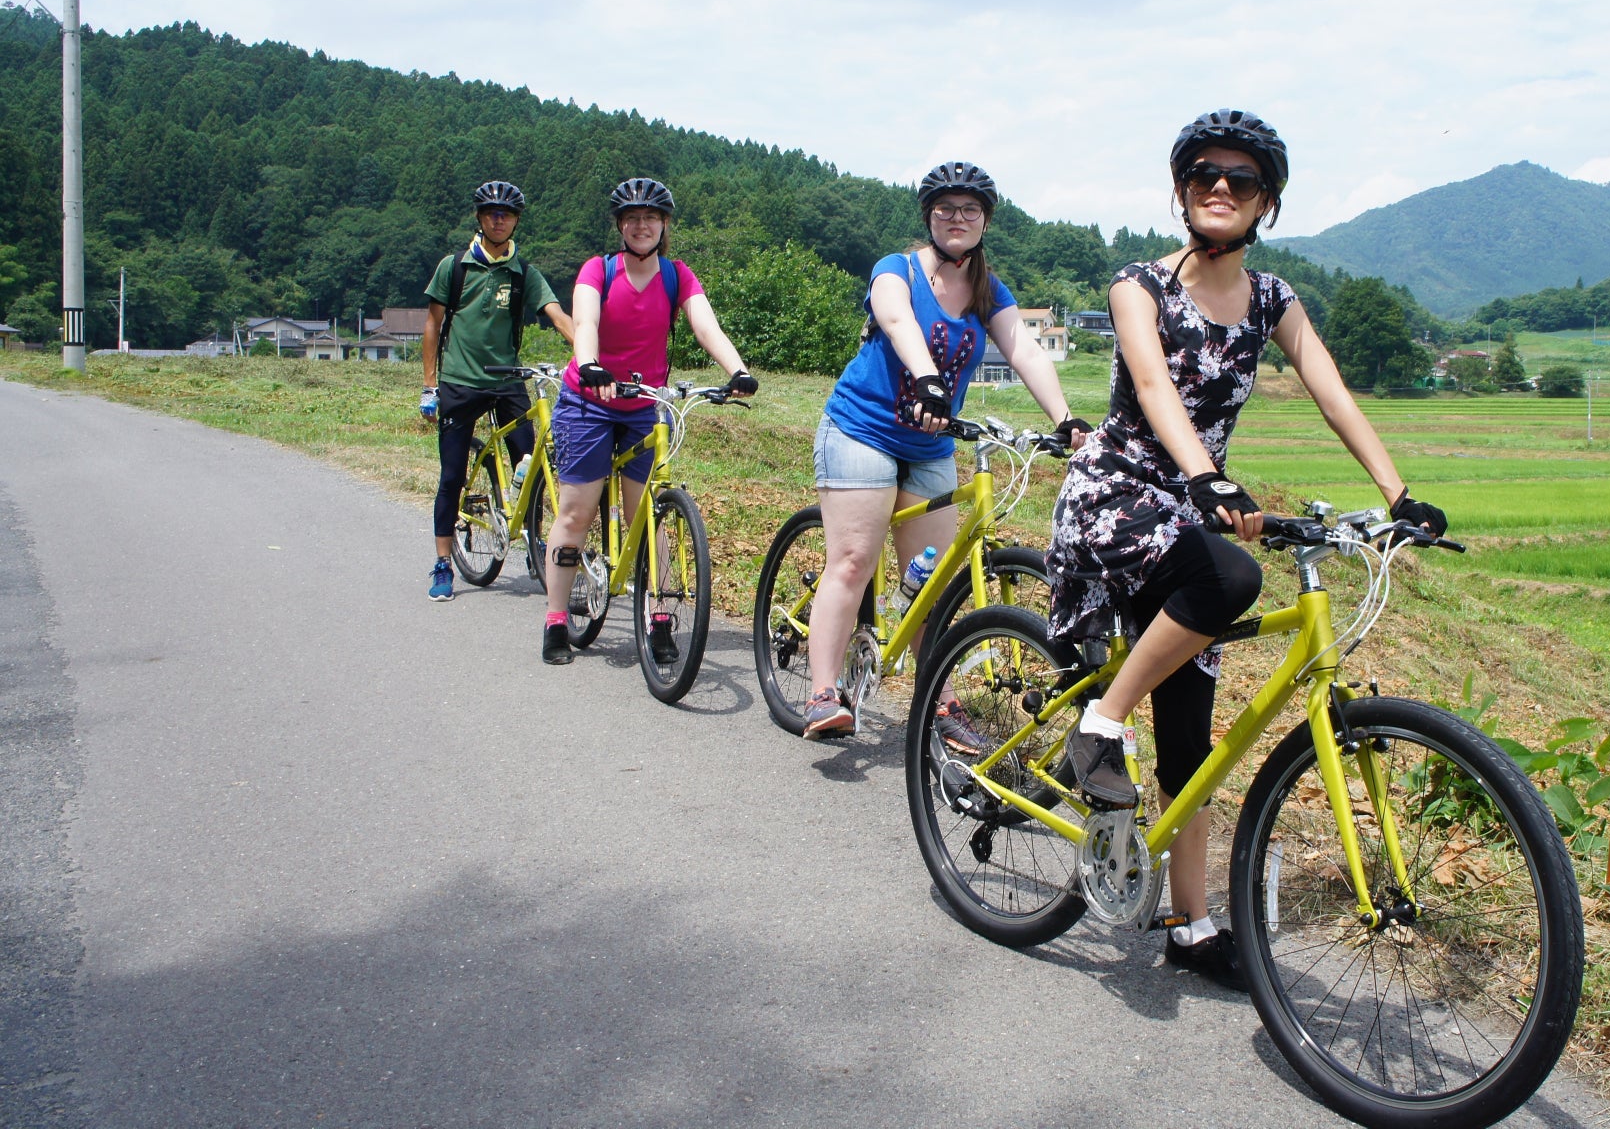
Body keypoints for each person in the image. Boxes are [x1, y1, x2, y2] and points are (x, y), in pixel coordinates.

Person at [1044, 111, 1446, 989]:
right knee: (1231, 575)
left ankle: (1190, 924)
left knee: (1192, 736)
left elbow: (1329, 386)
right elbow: (1151, 385)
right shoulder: (1138, 284)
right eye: (1204, 174)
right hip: (1119, 493)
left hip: (1192, 504)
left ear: (1267, 202)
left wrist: (1396, 492)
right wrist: (1204, 476)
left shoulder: (1272, 298)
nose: (1221, 188)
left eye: (1242, 179)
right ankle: (1100, 727)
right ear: (1182, 188)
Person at [801, 161, 1091, 740]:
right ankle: (822, 692)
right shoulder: (898, 269)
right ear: (929, 217)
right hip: (863, 428)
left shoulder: (987, 289)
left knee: (932, 580)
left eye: (969, 211)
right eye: (945, 210)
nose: (957, 219)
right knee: (854, 561)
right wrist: (928, 376)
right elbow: (894, 316)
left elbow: (1025, 351)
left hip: (931, 442)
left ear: (984, 222)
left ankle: (940, 702)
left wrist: (1064, 418)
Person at [539, 178, 757, 664]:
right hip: (589, 401)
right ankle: (556, 618)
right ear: (620, 225)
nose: (642, 226)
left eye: (651, 218)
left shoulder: (678, 276)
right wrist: (590, 362)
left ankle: (659, 615)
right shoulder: (599, 270)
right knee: (577, 512)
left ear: (664, 226)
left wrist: (737, 370)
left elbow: (705, 325)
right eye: (632, 218)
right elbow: (587, 321)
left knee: (650, 517)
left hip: (642, 405)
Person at [423, 181, 576, 602]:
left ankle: (532, 542)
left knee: (530, 465)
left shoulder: (523, 273)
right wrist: (428, 384)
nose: (498, 219)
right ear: (479, 217)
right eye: (491, 212)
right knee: (452, 475)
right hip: (460, 381)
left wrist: (589, 354)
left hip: (508, 380)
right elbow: (433, 324)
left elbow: (556, 314)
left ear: (516, 222)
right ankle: (442, 563)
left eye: (505, 214)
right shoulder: (453, 267)